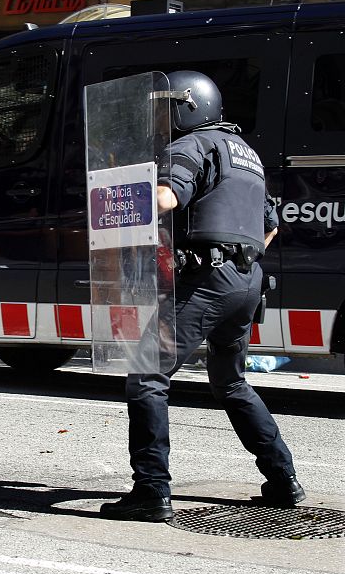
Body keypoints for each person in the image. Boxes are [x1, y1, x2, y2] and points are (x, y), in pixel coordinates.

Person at [100, 71, 305, 522]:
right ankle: (283, 480)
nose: (160, 119)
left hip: (209, 283)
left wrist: (106, 201)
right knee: (230, 382)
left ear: (187, 106)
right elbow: (270, 225)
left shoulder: (191, 145)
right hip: (246, 282)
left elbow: (166, 198)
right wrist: (236, 260)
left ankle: (151, 491)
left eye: (164, 108)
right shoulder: (246, 155)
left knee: (147, 375)